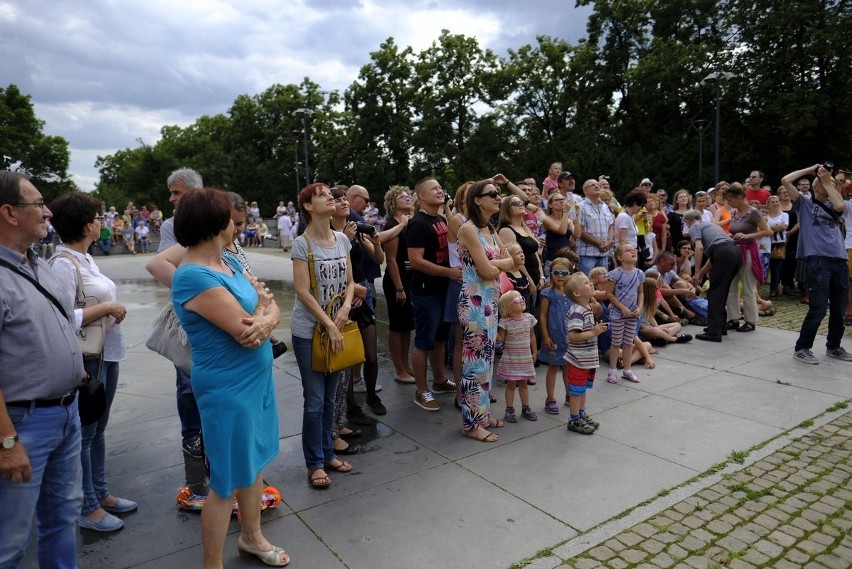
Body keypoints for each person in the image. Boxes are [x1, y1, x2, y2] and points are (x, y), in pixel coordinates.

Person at [170, 188, 286, 567]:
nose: (237, 223)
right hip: (227, 388)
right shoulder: (192, 275)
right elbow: (245, 331)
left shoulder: (231, 264)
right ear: (216, 223)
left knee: (251, 466)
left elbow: (268, 311)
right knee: (223, 485)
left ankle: (252, 538)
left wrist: (267, 317)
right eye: (230, 217)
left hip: (253, 381)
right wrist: (266, 315)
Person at [0, 172, 84, 568]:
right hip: (22, 424)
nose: (48, 211)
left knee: (62, 519)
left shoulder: (41, 264)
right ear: (9, 213)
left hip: (65, 413)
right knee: (10, 538)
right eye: (37, 204)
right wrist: (6, 443)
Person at [47, 193, 135, 533]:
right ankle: (87, 506)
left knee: (97, 429)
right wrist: (107, 308)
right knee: (85, 434)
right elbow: (61, 317)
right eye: (97, 217)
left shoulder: (84, 259)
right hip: (89, 359)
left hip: (106, 354)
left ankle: (100, 493)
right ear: (87, 225)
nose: (101, 222)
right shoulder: (63, 264)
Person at [146, 167, 208, 504]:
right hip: (190, 319)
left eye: (177, 192)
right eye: (171, 193)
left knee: (211, 392)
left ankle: (217, 462)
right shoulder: (174, 225)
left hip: (216, 319)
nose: (171, 199)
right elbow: (164, 266)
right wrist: (201, 293)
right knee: (188, 389)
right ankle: (195, 469)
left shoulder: (214, 216)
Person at [291, 183, 356, 489]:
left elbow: (351, 283)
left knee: (331, 397)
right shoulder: (302, 244)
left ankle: (327, 453)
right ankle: (314, 462)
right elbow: (302, 291)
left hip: (337, 327)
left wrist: (343, 310)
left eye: (331, 193)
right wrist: (329, 324)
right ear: (307, 206)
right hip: (310, 332)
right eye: (322, 195)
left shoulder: (342, 239)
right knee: (315, 399)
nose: (330, 197)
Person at [456, 179, 515, 441]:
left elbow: (502, 263)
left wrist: (499, 262)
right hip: (475, 303)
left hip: (489, 301)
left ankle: (482, 414)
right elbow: (488, 270)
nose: (498, 197)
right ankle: (471, 424)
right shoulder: (468, 229)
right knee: (475, 364)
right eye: (492, 194)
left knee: (488, 361)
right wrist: (503, 262)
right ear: (477, 199)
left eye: (499, 193)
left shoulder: (490, 228)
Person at [780, 165, 852, 365]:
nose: (826, 183)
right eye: (822, 183)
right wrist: (811, 170)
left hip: (839, 258)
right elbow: (786, 179)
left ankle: (834, 346)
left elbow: (840, 208)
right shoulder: (804, 203)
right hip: (817, 259)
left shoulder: (833, 202)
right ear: (815, 187)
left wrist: (828, 182)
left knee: (839, 307)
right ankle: (802, 348)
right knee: (818, 307)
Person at [407, 177, 458, 412]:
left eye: (441, 187)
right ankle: (421, 390)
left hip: (443, 288)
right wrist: (448, 272)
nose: (440, 190)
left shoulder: (441, 219)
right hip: (426, 291)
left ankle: (439, 379)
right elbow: (416, 261)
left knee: (440, 338)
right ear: (421, 196)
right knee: (424, 341)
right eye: (434, 188)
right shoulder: (418, 223)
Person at [683, 209, 743, 342]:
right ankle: (719, 326)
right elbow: (713, 257)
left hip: (723, 253)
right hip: (735, 253)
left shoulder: (694, 226)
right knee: (721, 291)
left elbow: (699, 248)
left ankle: (713, 332)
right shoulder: (712, 226)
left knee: (715, 293)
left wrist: (697, 271)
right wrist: (701, 274)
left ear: (687, 221)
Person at [723, 183, 771, 333]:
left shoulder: (753, 212)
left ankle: (750, 321)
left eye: (730, 200)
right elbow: (735, 230)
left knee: (748, 287)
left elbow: (767, 231)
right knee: (731, 286)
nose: (729, 203)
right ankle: (733, 318)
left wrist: (748, 235)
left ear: (739, 198)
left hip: (748, 250)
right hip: (735, 251)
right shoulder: (734, 213)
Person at [564, 272, 608, 434]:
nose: (590, 284)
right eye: (586, 283)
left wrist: (595, 329)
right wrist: (594, 332)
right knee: (577, 391)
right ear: (577, 293)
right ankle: (574, 420)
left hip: (587, 358)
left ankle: (581, 414)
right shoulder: (577, 311)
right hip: (578, 359)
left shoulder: (587, 308)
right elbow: (573, 335)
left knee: (582, 389)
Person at [381, 186, 415, 383]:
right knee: (397, 326)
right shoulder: (392, 224)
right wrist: (399, 288)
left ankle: (406, 365)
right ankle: (398, 368)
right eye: (403, 197)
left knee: (407, 326)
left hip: (408, 278)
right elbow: (391, 260)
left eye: (409, 196)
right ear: (393, 202)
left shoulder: (407, 223)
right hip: (397, 280)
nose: (408, 198)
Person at [603, 243, 645, 384]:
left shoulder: (639, 273)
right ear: (620, 257)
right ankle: (613, 371)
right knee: (616, 342)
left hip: (633, 314)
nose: (633, 252)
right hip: (618, 314)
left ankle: (627, 370)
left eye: (634, 250)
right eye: (628, 250)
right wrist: (622, 308)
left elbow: (640, 293)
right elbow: (609, 293)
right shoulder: (615, 274)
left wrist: (639, 307)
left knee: (628, 342)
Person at [537, 257, 574, 414]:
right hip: (554, 337)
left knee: (567, 367)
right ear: (551, 274)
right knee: (553, 366)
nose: (560, 276)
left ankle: (569, 394)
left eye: (564, 273)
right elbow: (543, 316)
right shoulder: (548, 293)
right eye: (556, 273)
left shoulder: (572, 293)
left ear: (570, 274)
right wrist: (545, 336)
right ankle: (550, 398)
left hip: (569, 337)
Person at [495, 291, 538, 423]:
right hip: (511, 359)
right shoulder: (505, 322)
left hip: (525, 358)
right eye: (517, 299)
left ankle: (526, 407)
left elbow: (532, 336)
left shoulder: (529, 318)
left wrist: (535, 352)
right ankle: (509, 409)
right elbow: (501, 339)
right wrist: (491, 328)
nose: (522, 300)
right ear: (508, 306)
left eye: (522, 298)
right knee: (511, 385)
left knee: (524, 384)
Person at [577, 179, 615, 276]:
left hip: (604, 254)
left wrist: (610, 241)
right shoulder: (580, 207)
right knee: (586, 284)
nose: (597, 186)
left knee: (602, 285)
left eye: (598, 184)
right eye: (592, 185)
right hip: (587, 255)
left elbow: (611, 226)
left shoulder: (605, 207)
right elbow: (579, 231)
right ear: (585, 191)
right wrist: (598, 243)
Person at [766, 195, 789, 299]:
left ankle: (773, 290)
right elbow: (762, 227)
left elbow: (784, 227)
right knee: (765, 267)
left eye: (776, 201)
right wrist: (776, 227)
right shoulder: (766, 215)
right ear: (769, 204)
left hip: (779, 243)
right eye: (772, 202)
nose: (775, 204)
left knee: (776, 268)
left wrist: (769, 228)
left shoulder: (784, 215)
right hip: (766, 243)